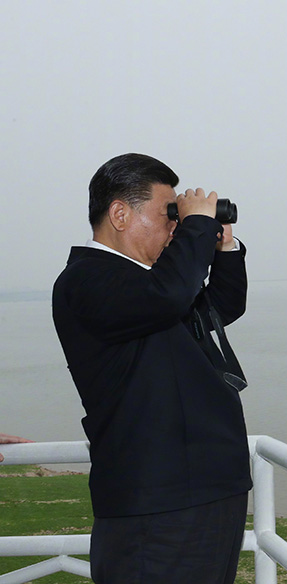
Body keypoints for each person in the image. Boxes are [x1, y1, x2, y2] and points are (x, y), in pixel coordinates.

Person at [52, 153, 252, 584]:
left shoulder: (152, 284)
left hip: (209, 490)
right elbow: (169, 296)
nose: (175, 228)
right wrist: (196, 228)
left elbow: (222, 306)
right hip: (157, 503)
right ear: (120, 214)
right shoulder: (86, 279)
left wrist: (223, 245)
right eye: (169, 216)